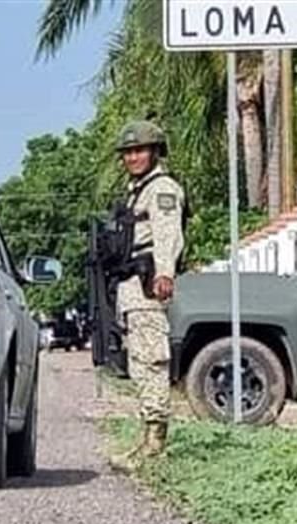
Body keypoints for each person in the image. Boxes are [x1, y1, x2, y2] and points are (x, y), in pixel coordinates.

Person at [109, 120, 186, 472]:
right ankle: (146, 439)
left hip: (149, 281)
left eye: (140, 150)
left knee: (152, 360)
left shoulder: (162, 188)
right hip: (131, 285)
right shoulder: (136, 190)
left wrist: (165, 272)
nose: (133, 157)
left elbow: (167, 232)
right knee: (139, 361)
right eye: (128, 152)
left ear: (155, 151)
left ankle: (155, 444)